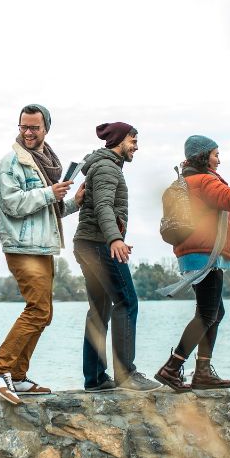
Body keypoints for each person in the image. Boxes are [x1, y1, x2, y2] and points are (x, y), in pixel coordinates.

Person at [154, 135, 230, 392]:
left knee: (215, 312)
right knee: (207, 313)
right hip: (206, 253)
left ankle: (202, 371)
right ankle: (172, 367)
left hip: (191, 253)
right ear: (203, 156)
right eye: (215, 154)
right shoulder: (204, 181)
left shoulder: (182, 182)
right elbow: (228, 197)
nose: (218, 160)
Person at [0, 104, 84, 405]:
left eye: (34, 127)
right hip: (21, 248)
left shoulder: (47, 162)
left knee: (44, 313)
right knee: (37, 310)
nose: (27, 132)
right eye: (23, 126)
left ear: (46, 129)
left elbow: (49, 212)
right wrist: (51, 193)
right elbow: (13, 204)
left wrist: (74, 201)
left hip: (42, 247)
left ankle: (18, 375)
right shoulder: (10, 163)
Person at [73, 122, 161, 393]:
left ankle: (96, 378)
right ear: (120, 141)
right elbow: (103, 206)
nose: (136, 146)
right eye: (133, 140)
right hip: (99, 244)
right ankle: (126, 374)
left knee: (99, 311)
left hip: (86, 243)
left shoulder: (102, 166)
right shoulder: (108, 167)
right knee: (126, 301)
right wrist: (115, 239)